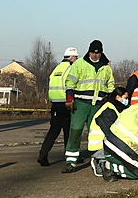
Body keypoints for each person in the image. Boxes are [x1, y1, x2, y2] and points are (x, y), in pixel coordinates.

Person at [62, 40, 115, 171]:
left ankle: (98, 159)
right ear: (89, 51)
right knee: (75, 130)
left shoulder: (106, 68)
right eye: (92, 52)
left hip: (98, 105)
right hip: (80, 103)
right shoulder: (80, 64)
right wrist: (69, 98)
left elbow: (111, 86)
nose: (95, 55)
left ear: (101, 53)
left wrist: (110, 100)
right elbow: (70, 82)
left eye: (97, 53)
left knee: (96, 133)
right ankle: (71, 160)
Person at [38, 47, 79, 166]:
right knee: (69, 133)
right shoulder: (71, 69)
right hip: (66, 104)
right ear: (71, 58)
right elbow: (72, 85)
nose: (77, 59)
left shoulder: (56, 69)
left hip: (55, 105)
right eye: (76, 57)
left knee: (53, 132)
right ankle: (70, 157)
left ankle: (43, 155)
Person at [87, 87, 129, 176]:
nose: (127, 101)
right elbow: (111, 132)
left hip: (102, 145)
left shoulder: (113, 108)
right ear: (118, 97)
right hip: (99, 147)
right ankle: (99, 161)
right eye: (125, 98)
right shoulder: (108, 110)